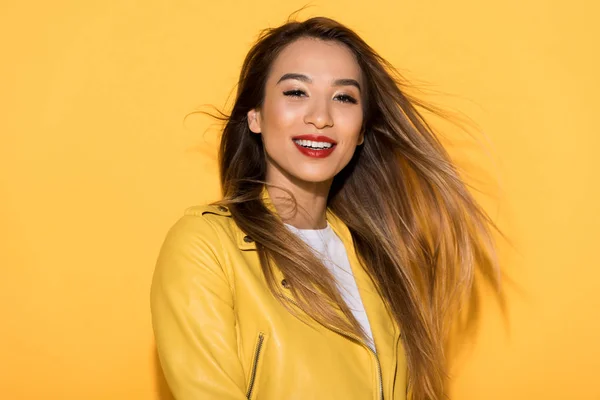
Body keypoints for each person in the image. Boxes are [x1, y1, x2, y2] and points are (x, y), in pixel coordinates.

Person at [150, 16, 499, 400]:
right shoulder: (206, 246)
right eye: (296, 92)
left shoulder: (382, 262)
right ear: (256, 116)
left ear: (362, 128)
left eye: (344, 97)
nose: (320, 117)